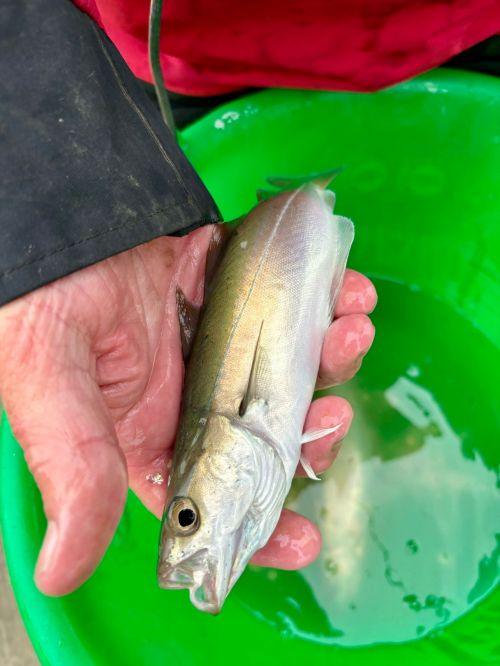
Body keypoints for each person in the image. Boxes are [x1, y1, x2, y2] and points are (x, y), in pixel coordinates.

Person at [0, 0, 497, 598]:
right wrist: (77, 220)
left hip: (463, 27)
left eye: (190, 517)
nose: (193, 532)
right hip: (180, 58)